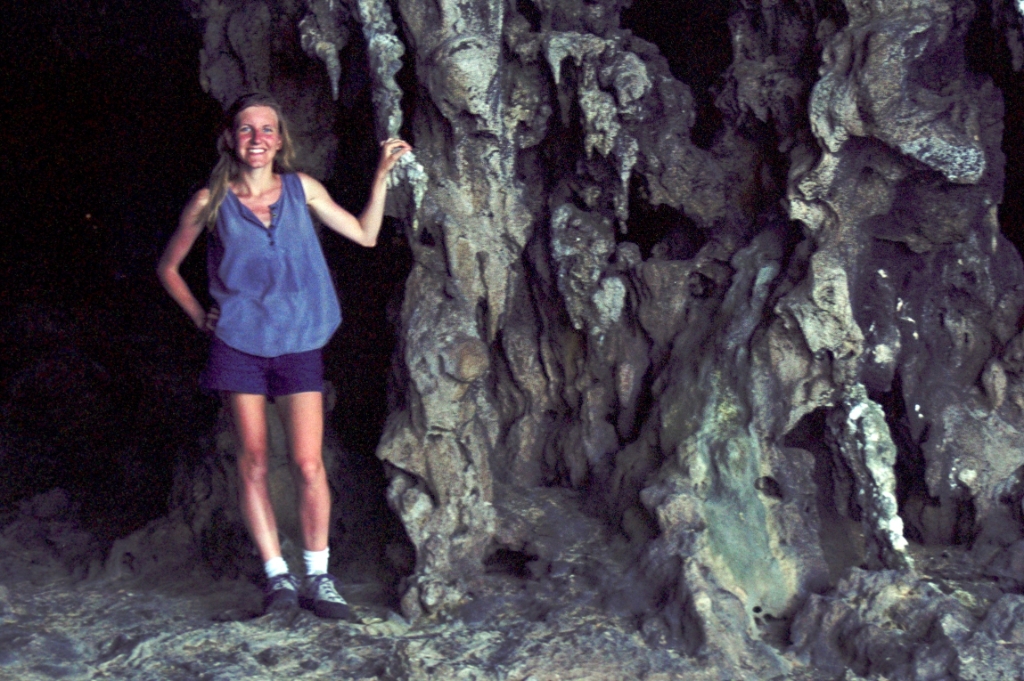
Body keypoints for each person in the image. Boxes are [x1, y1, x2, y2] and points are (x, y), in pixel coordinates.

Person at [157, 92, 411, 619]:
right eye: (247, 129)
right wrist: (197, 315)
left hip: (299, 342)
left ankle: (318, 577)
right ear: (230, 138)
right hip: (239, 345)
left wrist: (382, 176)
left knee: (307, 462)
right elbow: (169, 269)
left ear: (280, 139)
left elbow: (364, 235)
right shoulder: (212, 200)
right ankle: (279, 579)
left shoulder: (302, 190)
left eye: (267, 129)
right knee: (252, 462)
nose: (257, 139)